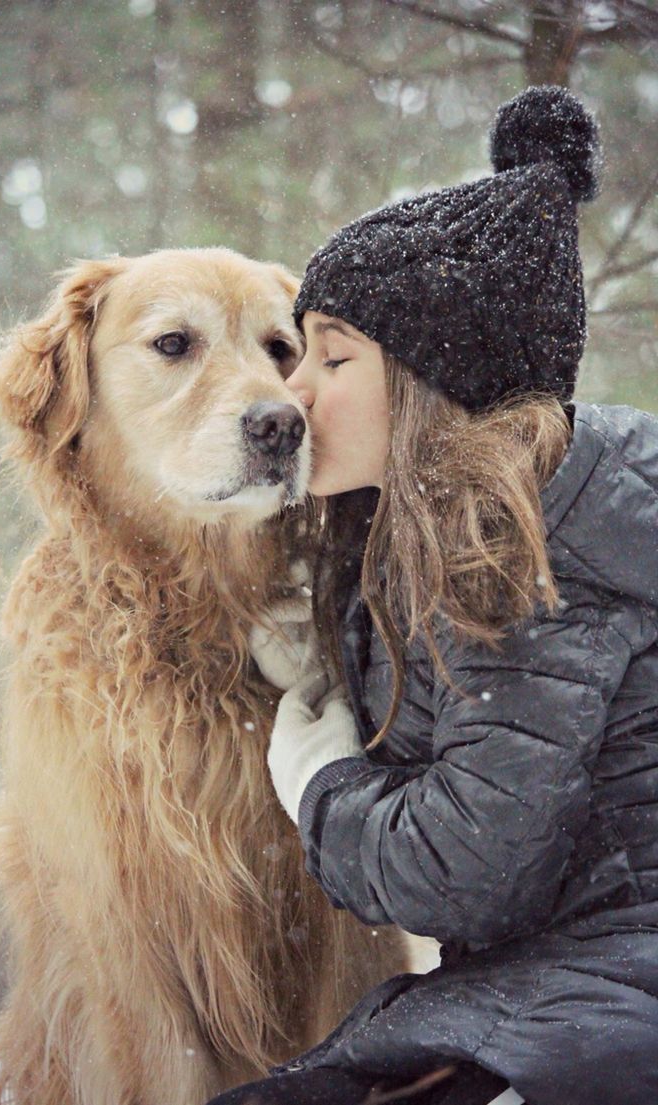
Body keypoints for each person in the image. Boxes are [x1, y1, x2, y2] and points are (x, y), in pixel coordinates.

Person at [205, 86, 658, 1105]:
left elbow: (464, 874)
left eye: (332, 355)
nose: (298, 390)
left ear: (427, 380)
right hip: (557, 984)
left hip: (610, 992)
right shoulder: (439, 530)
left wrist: (317, 784)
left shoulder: (532, 557)